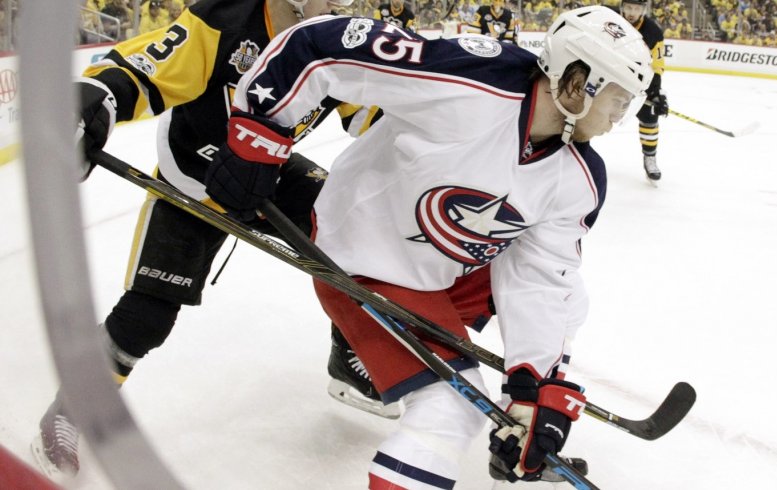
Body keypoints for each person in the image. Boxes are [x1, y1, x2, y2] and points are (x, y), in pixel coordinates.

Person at [205, 6, 652, 486]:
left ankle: (518, 428)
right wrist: (259, 135)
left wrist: (532, 385)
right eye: (617, 99)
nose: (618, 118)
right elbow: (319, 45)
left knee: (570, 299)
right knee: (450, 410)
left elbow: (540, 279)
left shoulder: (581, 178)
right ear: (578, 82)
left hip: (445, 266)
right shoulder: (472, 78)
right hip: (367, 259)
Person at [31, 0, 400, 480]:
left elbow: (376, 113)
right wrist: (92, 99)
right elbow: (142, 70)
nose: (345, 5)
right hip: (194, 180)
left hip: (266, 171)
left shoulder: (342, 38)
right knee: (147, 315)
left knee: (359, 235)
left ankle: (348, 361)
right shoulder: (226, 18)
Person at [618, 0, 667, 182]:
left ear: (643, 10)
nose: (632, 12)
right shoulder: (610, 20)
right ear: (623, 7)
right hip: (610, 77)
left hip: (639, 82)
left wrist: (655, 92)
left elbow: (657, 65)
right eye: (629, 7)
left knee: (650, 116)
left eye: (636, 9)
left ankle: (650, 157)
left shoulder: (653, 32)